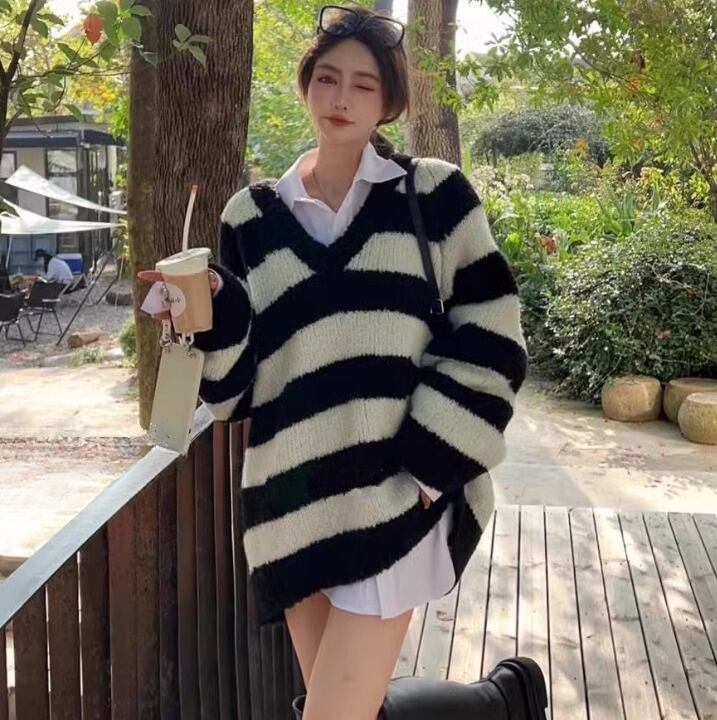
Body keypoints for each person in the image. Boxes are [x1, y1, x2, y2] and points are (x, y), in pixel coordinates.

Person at [140, 6, 530, 719]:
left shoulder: (433, 194)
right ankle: (499, 704)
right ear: (305, 86)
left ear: (388, 103)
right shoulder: (248, 217)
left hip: (394, 493)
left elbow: (493, 331)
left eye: (362, 84)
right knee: (348, 707)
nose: (341, 97)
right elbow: (237, 394)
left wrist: (428, 467)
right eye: (326, 78)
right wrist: (207, 317)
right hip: (291, 502)